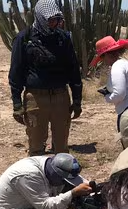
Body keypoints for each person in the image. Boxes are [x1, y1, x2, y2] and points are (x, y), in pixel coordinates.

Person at [8, 0, 83, 156]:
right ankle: (38, 177)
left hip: (61, 97)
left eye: (58, 20)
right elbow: (16, 72)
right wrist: (17, 103)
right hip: (35, 99)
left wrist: (77, 100)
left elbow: (73, 70)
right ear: (41, 18)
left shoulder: (63, 38)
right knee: (36, 146)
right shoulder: (24, 38)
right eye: (51, 20)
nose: (56, 24)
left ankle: (61, 177)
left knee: (61, 147)